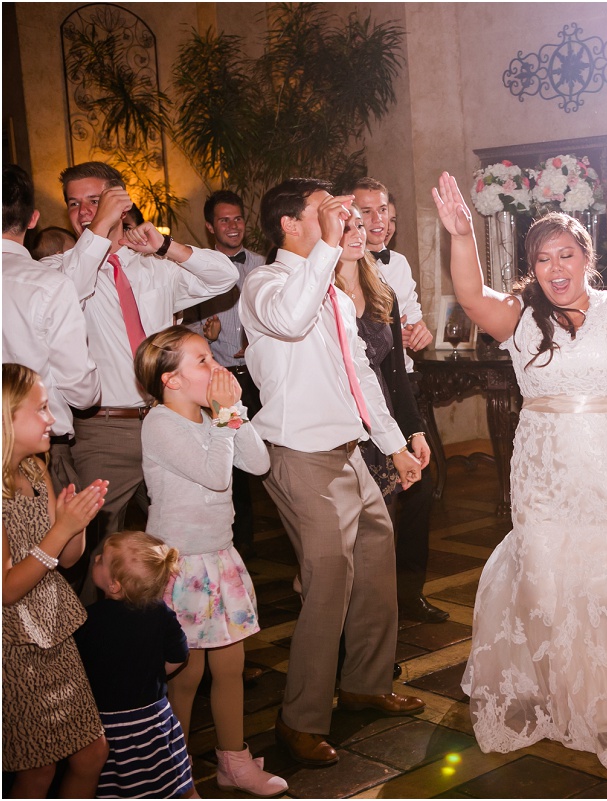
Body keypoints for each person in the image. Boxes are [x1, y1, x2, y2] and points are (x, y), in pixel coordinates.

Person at [431, 167, 607, 770]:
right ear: (533, 268)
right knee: (549, 578)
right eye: (543, 259)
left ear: (587, 258)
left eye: (566, 254)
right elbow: (469, 297)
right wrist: (462, 236)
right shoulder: (519, 317)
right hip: (544, 470)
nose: (555, 267)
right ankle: (554, 694)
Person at [240, 178, 425, 767]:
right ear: (291, 224)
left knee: (377, 557)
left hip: (348, 450)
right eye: (325, 210)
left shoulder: (336, 295)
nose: (342, 218)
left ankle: (366, 683)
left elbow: (359, 375)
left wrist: (393, 445)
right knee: (328, 581)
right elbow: (291, 322)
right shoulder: (265, 284)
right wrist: (326, 245)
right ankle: (298, 719)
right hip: (298, 455)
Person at [43, 161, 237, 600]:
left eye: (96, 200)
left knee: (178, 537)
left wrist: (166, 246)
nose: (84, 211)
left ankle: (177, 638)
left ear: (121, 201)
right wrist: (97, 235)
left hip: (171, 418)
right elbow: (66, 295)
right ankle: (93, 650)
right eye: (74, 204)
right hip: (106, 429)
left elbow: (225, 276)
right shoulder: (59, 269)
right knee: (95, 547)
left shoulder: (152, 265)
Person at [132, 325, 287, 794]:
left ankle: (233, 762)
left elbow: (258, 464)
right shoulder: (159, 423)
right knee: (185, 672)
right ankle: (172, 773)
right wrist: (222, 418)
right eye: (202, 361)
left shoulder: (212, 418)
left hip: (219, 556)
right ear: (170, 380)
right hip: (179, 564)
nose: (216, 368)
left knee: (230, 667)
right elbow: (215, 476)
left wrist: (234, 412)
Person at [2, 363, 109, 797]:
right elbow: (6, 588)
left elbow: (66, 560)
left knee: (91, 753)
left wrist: (76, 523)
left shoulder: (33, 470)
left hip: (55, 629)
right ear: (6, 417)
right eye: (42, 409)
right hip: (16, 643)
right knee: (37, 770)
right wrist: (59, 530)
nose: (52, 419)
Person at [347, 177, 444, 622]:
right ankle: (373, 607)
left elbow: (414, 323)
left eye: (382, 209)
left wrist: (418, 332)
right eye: (365, 212)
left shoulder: (399, 263)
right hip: (368, 398)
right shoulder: (338, 270)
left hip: (403, 387)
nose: (377, 220)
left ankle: (409, 593)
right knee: (377, 503)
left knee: (423, 488)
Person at [73, 531, 196, 799]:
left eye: (102, 560)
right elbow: (178, 656)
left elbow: (76, 671)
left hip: (111, 726)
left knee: (122, 786)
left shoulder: (87, 620)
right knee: (173, 779)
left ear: (115, 585)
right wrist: (154, 672)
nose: (95, 559)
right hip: (154, 720)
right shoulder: (161, 613)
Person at [2, 164, 100, 495]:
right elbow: (81, 391)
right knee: (50, 544)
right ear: (33, 219)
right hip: (36, 450)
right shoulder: (49, 284)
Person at [184, 190, 267, 558]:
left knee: (266, 455)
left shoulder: (264, 266)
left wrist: (255, 342)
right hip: (215, 382)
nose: (232, 226)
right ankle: (238, 542)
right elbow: (183, 333)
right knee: (227, 462)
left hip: (257, 377)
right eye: (223, 220)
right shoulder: (192, 269)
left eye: (237, 219)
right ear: (209, 226)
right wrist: (207, 336)